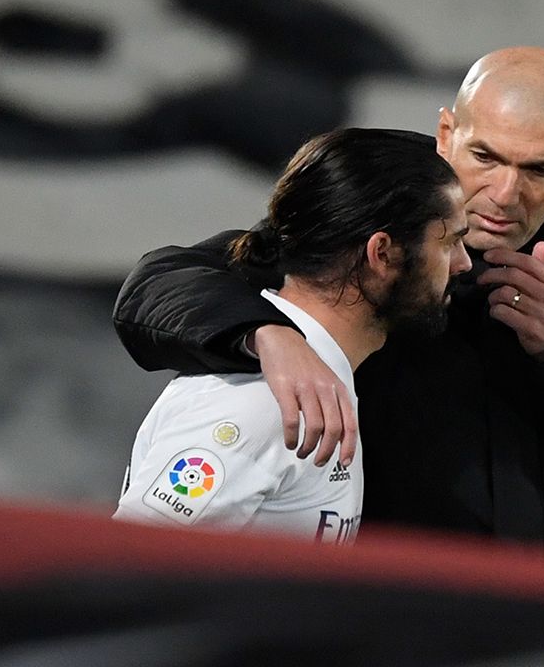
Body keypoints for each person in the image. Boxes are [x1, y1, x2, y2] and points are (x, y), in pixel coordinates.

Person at [113, 46, 544, 548]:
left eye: (540, 169)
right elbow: (159, 283)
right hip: (375, 629)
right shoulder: (367, 232)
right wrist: (268, 335)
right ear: (448, 136)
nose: (503, 193)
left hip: (512, 638)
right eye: (485, 157)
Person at [113, 128, 470, 542]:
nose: (463, 264)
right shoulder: (265, 402)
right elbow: (124, 569)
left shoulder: (316, 378)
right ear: (382, 253)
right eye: (450, 243)